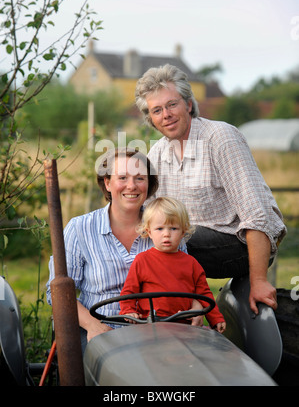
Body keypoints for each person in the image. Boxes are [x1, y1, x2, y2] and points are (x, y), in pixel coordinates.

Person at [135, 64, 287, 315]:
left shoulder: (220, 138)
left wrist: (259, 281)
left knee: (173, 240)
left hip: (241, 242)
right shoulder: (158, 153)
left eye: (172, 104)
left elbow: (257, 215)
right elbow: (147, 216)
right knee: (147, 239)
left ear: (189, 104)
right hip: (189, 242)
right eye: (157, 110)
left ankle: (182, 313)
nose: (166, 115)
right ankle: (146, 315)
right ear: (150, 118)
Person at [46, 148, 161, 352]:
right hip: (99, 325)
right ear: (107, 183)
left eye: (140, 178)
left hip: (157, 326)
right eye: (122, 177)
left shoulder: (166, 227)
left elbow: (186, 279)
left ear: (149, 183)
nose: (132, 186)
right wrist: (93, 326)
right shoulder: (80, 228)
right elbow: (56, 294)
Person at [119, 197, 226, 333]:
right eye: (159, 228)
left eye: (173, 228)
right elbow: (129, 290)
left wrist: (215, 318)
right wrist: (128, 311)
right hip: (150, 325)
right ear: (149, 232)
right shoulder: (142, 260)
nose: (166, 234)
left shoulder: (191, 263)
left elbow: (204, 293)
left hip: (184, 325)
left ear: (183, 231)